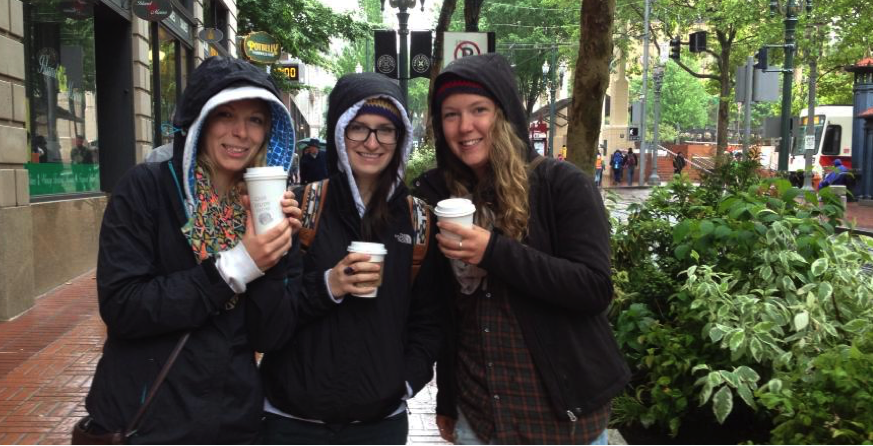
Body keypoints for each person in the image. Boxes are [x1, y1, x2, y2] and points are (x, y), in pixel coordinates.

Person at [83, 56, 302, 444]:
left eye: (255, 119)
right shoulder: (145, 189)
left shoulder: (269, 207)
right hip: (145, 420)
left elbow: (269, 336)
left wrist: (275, 254)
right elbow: (123, 307)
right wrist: (236, 266)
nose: (240, 132)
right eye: (226, 115)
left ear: (269, 131)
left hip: (231, 422)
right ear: (200, 121)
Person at [414, 53, 631, 445]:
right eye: (450, 114)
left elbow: (594, 288)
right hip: (480, 417)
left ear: (504, 114)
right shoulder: (439, 196)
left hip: (561, 421)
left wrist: (492, 252)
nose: (465, 127)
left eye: (478, 109)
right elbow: (447, 314)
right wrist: (447, 398)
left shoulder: (559, 185)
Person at [247, 72, 444, 445]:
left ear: (400, 138)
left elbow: (429, 318)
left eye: (386, 130)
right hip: (291, 422)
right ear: (339, 134)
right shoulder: (300, 207)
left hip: (378, 425)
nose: (372, 142)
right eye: (358, 129)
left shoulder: (418, 219)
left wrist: (403, 382)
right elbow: (267, 322)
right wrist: (328, 286)